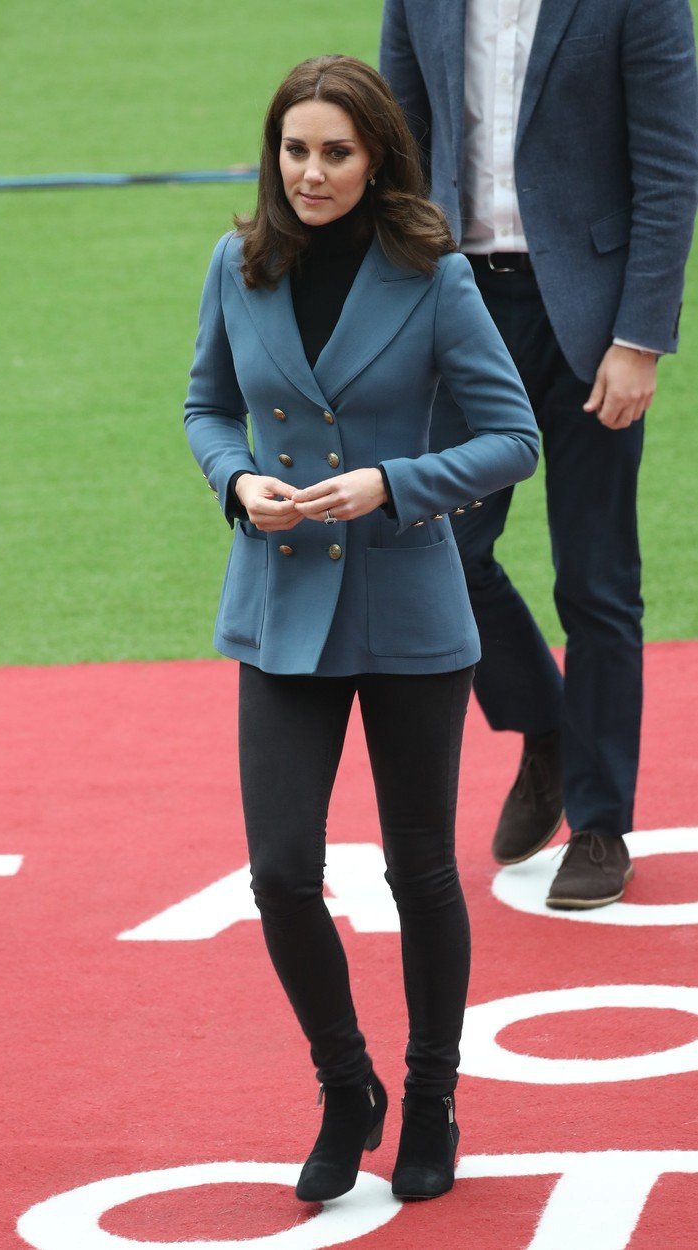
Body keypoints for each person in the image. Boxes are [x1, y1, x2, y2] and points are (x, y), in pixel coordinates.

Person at [185, 55, 538, 1202]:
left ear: (376, 155)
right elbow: (204, 404)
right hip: (278, 599)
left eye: (335, 150)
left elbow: (510, 438)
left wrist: (393, 481)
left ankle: (430, 1090)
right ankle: (347, 1084)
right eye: (295, 149)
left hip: (404, 602)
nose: (312, 170)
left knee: (418, 868)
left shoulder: (432, 276)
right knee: (280, 871)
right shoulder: (235, 268)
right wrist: (236, 479)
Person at [380, 0, 698, 909]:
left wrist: (641, 338)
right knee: (439, 544)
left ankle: (599, 826)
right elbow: (398, 143)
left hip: (592, 323)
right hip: (457, 310)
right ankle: (545, 725)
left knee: (595, 579)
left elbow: (670, 165)